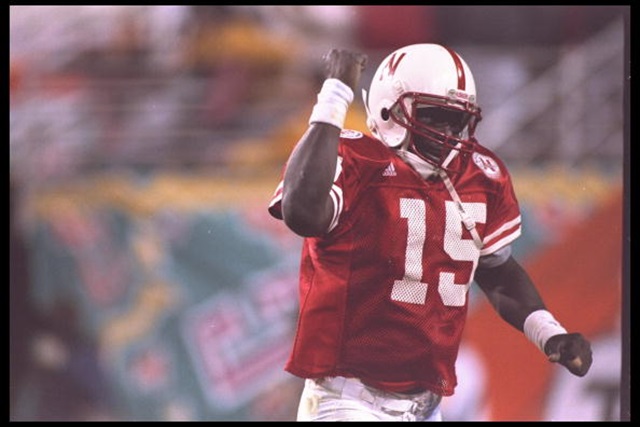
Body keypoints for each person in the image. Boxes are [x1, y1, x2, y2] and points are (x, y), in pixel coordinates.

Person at [267, 44, 593, 421]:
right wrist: (335, 95)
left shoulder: (481, 176)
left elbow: (495, 268)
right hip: (349, 399)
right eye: (436, 117)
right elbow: (302, 212)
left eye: (457, 120)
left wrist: (548, 332)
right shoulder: (357, 160)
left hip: (426, 406)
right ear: (389, 108)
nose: (448, 133)